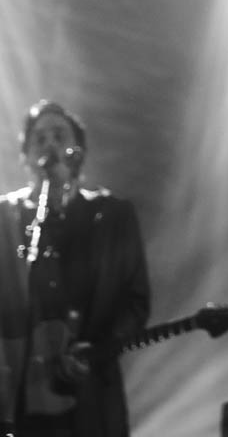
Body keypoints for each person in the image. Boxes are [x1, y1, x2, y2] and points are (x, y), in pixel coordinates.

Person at [0, 100, 151, 437]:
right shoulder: (3, 219)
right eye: (39, 138)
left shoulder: (114, 216)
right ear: (24, 156)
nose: (49, 145)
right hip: (19, 400)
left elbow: (136, 301)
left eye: (59, 135)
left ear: (78, 151)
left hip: (91, 399)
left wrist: (97, 349)